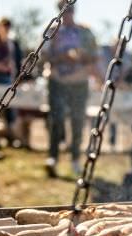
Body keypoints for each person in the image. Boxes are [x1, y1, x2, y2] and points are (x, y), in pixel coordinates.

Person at [43, 1, 100, 178]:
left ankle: (75, 158)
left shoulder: (85, 32)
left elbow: (95, 57)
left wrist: (82, 56)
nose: (67, 14)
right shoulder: (52, 31)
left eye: (70, 10)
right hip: (57, 80)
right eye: (64, 10)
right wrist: (61, 56)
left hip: (79, 82)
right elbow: (42, 56)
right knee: (57, 119)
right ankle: (53, 157)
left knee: (77, 120)